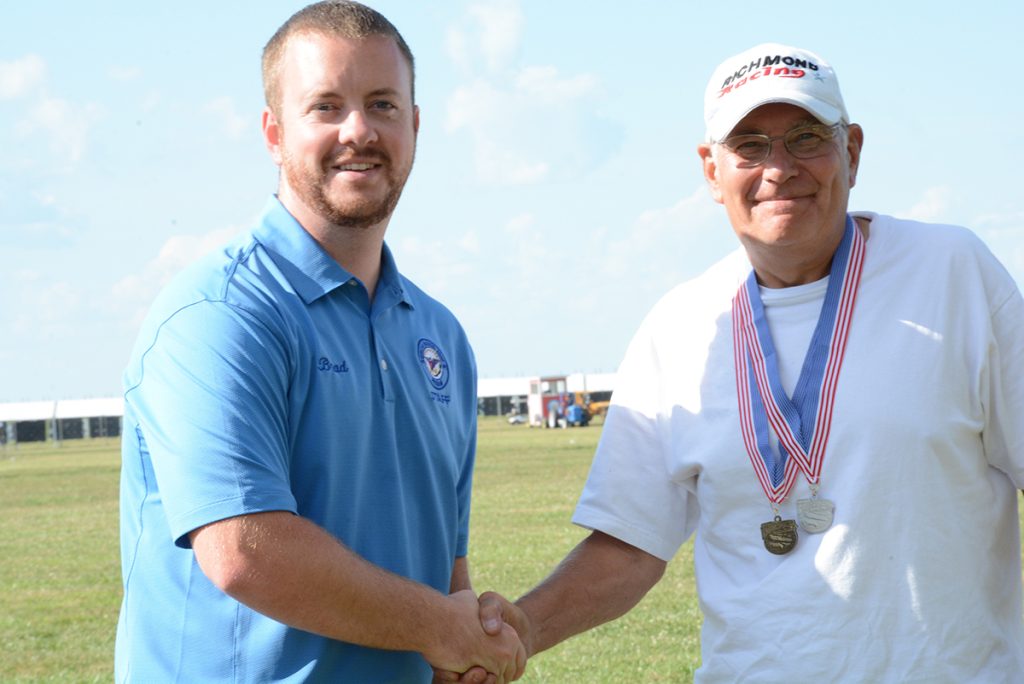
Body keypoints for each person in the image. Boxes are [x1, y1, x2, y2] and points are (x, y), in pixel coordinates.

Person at [453, 42, 1024, 682]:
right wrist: (523, 630)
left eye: (807, 138)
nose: (778, 168)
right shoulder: (680, 325)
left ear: (852, 152)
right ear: (711, 170)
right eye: (749, 145)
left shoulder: (954, 275)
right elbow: (630, 544)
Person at [114, 2, 525, 682]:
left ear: (415, 126)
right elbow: (246, 549)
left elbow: (445, 567)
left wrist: (466, 646)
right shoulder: (217, 314)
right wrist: (437, 627)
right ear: (274, 133)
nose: (358, 130)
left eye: (383, 104)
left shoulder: (440, 335)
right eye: (326, 107)